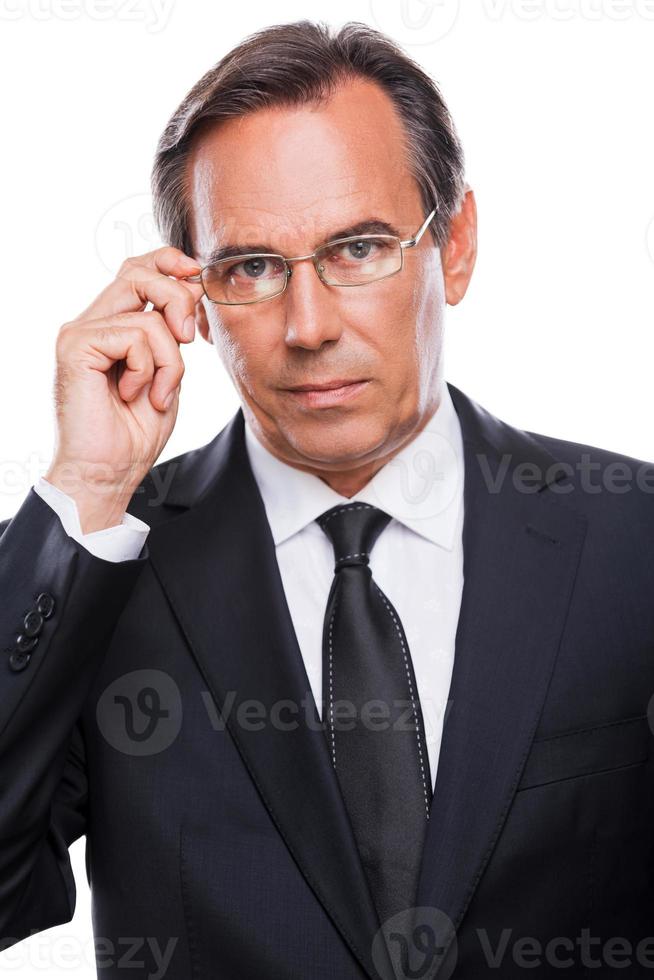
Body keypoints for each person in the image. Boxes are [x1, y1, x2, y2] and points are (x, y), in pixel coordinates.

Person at [1, 18, 653, 980]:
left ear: (456, 245)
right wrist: (86, 491)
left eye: (358, 249)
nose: (307, 326)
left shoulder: (631, 540)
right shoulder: (105, 571)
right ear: (190, 294)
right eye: (252, 267)